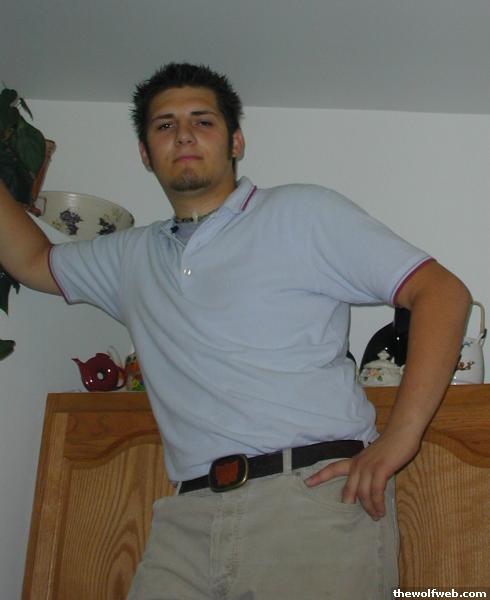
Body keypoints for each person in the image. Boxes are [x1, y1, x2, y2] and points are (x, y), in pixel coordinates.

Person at [0, 63, 470, 599]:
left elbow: (441, 293)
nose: (183, 135)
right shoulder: (129, 256)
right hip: (184, 520)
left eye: (202, 121)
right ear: (145, 153)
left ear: (235, 141)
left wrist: (401, 439)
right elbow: (32, 261)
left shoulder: (301, 211)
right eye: (164, 125)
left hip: (312, 507)